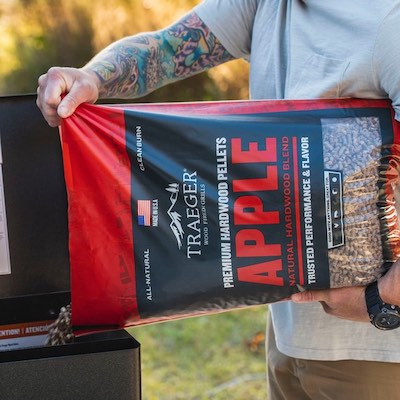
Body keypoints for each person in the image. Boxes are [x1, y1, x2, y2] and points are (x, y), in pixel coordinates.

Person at [37, 1, 400, 398]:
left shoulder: (387, 21)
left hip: (375, 353)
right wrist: (92, 77)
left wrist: (379, 301)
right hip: (290, 335)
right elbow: (167, 49)